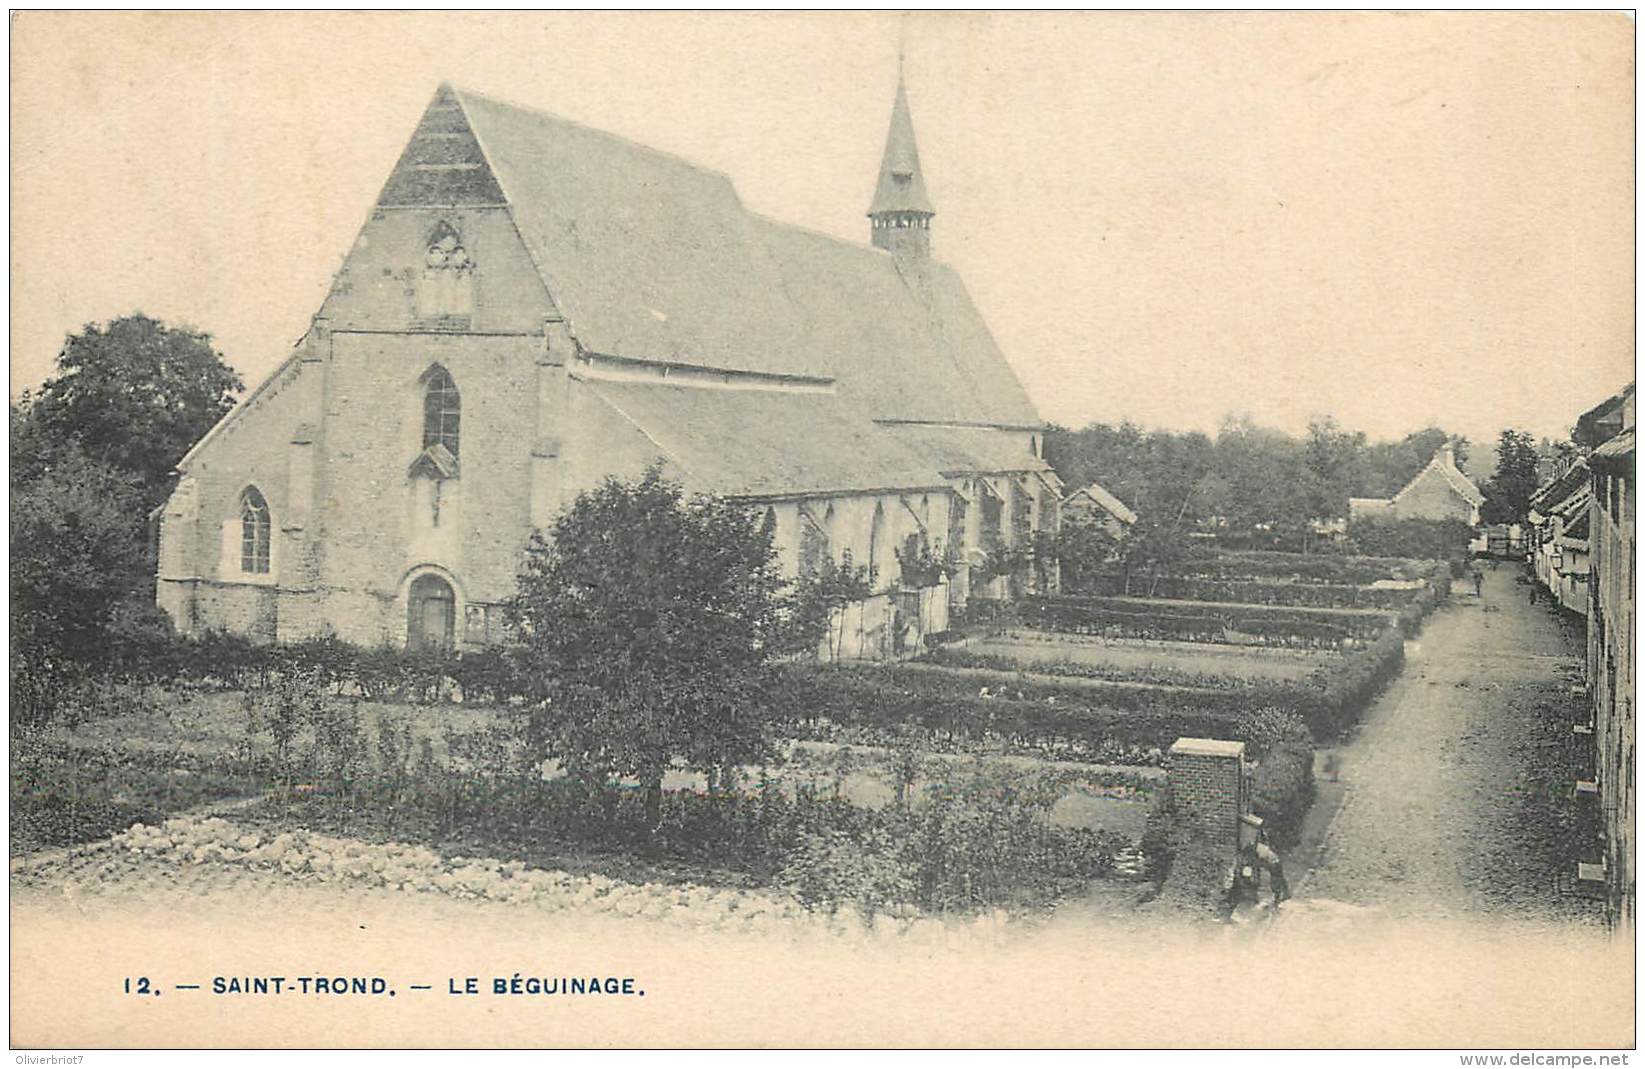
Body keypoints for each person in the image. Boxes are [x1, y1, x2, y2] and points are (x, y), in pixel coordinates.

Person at [1256, 838, 1289, 906]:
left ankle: (1279, 898)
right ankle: (1284, 894)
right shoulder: (1260, 847)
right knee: (1279, 878)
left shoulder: (1257, 849)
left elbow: (1261, 860)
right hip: (1273, 861)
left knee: (1276, 880)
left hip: (1273, 863)